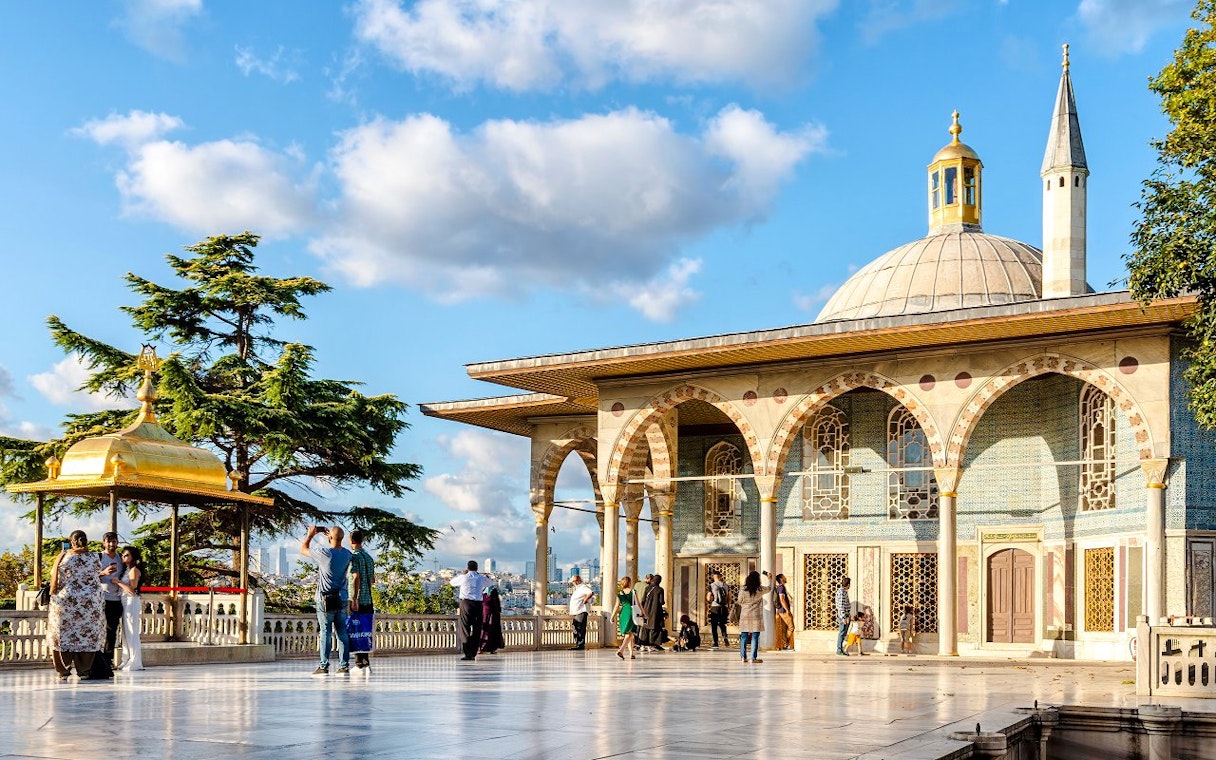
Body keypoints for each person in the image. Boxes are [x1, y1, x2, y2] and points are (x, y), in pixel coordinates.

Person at [47, 530, 105, 680]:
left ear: (71, 542)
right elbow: (97, 574)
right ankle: (84, 670)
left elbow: (54, 573)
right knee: (87, 637)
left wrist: (62, 554)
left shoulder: (64, 558)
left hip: (66, 603)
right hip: (90, 603)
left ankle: (63, 671)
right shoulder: (95, 557)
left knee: (62, 637)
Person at [302, 524, 352, 675]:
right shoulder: (347, 554)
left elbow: (303, 549)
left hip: (325, 599)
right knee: (342, 632)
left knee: (325, 632)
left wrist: (311, 535)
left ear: (330, 537)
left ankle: (323, 666)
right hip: (342, 597)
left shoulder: (324, 553)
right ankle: (343, 665)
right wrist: (332, 537)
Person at [347, 529, 376, 670]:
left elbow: (355, 577)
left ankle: (359, 663)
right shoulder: (369, 558)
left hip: (357, 600)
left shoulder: (354, 557)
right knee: (365, 631)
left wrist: (354, 598)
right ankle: (366, 661)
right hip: (368, 599)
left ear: (351, 541)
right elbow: (373, 579)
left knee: (355, 631)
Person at [112, 546, 144, 671]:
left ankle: (135, 661)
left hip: (131, 601)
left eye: (126, 555)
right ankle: (126, 659)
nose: (123, 557)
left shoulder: (134, 570)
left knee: (132, 632)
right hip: (125, 602)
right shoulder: (127, 570)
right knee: (125, 633)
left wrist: (118, 582)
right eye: (123, 555)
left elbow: (132, 590)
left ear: (133, 557)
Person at [449, 560, 488, 661]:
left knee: (465, 628)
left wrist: (462, 574)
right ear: (477, 568)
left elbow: (452, 583)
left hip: (466, 603)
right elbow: (490, 583)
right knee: (477, 629)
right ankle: (473, 653)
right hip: (478, 604)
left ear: (468, 567)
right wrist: (482, 575)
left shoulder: (464, 577)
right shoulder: (480, 578)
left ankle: (467, 653)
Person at [736, 570, 772, 663]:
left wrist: (746, 604)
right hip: (756, 615)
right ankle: (753, 658)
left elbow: (739, 601)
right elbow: (769, 588)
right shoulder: (760, 589)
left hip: (745, 615)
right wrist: (770, 579)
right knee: (755, 637)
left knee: (744, 636)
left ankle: (743, 657)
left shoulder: (743, 589)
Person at [98, 531, 122, 662]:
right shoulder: (99, 557)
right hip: (103, 598)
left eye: (114, 541)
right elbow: (90, 576)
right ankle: (98, 658)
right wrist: (103, 572)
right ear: (104, 543)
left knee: (112, 630)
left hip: (118, 599)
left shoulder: (121, 558)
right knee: (101, 629)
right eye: (109, 541)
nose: (112, 544)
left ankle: (108, 659)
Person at [610, 576, 638, 660]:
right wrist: (643, 613)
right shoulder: (633, 591)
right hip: (631, 612)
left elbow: (616, 606)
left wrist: (612, 616)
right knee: (629, 634)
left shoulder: (620, 593)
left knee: (629, 634)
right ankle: (621, 650)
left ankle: (631, 653)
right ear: (629, 582)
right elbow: (638, 604)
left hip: (623, 613)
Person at [637, 574, 666, 651]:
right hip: (656, 611)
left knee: (645, 627)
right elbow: (661, 602)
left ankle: (643, 645)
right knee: (654, 628)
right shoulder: (660, 589)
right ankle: (652, 645)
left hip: (646, 610)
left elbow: (643, 600)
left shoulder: (647, 588)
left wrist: (642, 610)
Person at [568, 575, 594, 650]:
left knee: (580, 628)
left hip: (581, 611)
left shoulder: (583, 587)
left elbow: (591, 592)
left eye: (573, 581)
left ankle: (580, 645)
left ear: (577, 581)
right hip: (576, 611)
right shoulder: (578, 589)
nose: (573, 583)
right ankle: (578, 644)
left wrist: (585, 600)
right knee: (576, 628)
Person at [706, 572, 729, 650]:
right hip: (724, 607)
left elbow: (709, 597)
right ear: (720, 576)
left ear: (713, 577)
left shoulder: (712, 585)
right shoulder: (726, 585)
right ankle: (725, 637)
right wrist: (728, 606)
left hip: (715, 607)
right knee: (722, 624)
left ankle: (715, 642)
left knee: (714, 625)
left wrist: (710, 601)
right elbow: (730, 597)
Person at [480, 587, 505, 655]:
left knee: (484, 633)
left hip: (487, 619)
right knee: (492, 634)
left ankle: (482, 648)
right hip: (494, 621)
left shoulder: (486, 599)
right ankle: (492, 649)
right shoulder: (495, 599)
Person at [773, 573, 794, 651]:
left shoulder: (779, 587)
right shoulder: (781, 588)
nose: (785, 578)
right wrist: (787, 610)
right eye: (784, 577)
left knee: (784, 629)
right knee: (791, 627)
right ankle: (786, 644)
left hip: (781, 610)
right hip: (784, 610)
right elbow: (782, 599)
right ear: (781, 579)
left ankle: (784, 645)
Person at [835, 576, 852, 656]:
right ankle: (839, 650)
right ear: (847, 584)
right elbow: (840, 605)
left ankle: (841, 649)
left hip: (846, 615)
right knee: (841, 633)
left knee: (843, 633)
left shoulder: (843, 591)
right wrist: (843, 617)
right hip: (843, 616)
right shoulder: (841, 592)